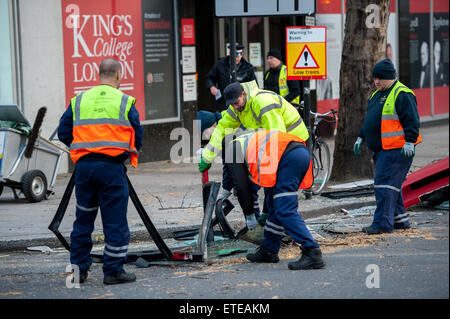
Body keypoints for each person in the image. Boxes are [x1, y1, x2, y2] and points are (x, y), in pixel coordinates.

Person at [58, 58, 144, 285]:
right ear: (118, 75)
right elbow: (137, 132)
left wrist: (83, 148)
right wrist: (127, 152)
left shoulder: (79, 100)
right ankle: (113, 271)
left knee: (83, 220)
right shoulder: (124, 100)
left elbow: (64, 131)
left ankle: (77, 272)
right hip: (111, 168)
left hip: (84, 169)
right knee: (115, 221)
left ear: (99, 75)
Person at [198, 80, 310, 225]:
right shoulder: (235, 108)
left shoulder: (263, 102)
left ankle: (270, 216)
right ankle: (265, 216)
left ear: (243, 94)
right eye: (231, 104)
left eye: (236, 102)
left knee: (273, 175)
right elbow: (221, 131)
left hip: (293, 141)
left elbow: (277, 137)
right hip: (267, 139)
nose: (235, 107)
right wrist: (207, 157)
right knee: (257, 171)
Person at [224, 129, 325, 270]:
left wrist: (250, 215)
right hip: (295, 154)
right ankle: (269, 249)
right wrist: (264, 211)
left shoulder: (232, 149)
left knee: (284, 209)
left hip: (288, 158)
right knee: (275, 206)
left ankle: (312, 251)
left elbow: (242, 186)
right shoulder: (248, 143)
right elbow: (251, 182)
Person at [354, 58, 422, 234]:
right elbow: (370, 119)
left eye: (380, 79)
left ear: (390, 77)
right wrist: (361, 136)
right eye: (375, 78)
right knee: (392, 185)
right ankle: (400, 220)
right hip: (382, 149)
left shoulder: (402, 94)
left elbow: (412, 120)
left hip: (397, 150)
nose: (376, 82)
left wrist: (410, 140)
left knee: (384, 185)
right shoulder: (376, 95)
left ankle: (382, 224)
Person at [206, 43, 256, 112]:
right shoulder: (220, 64)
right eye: (234, 56)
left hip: (240, 103)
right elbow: (210, 78)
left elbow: (253, 85)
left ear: (241, 55)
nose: (236, 59)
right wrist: (211, 86)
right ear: (230, 54)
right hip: (223, 103)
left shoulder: (247, 67)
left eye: (238, 56)